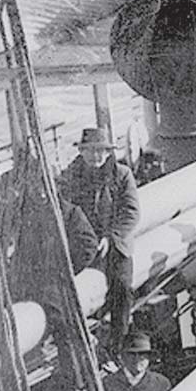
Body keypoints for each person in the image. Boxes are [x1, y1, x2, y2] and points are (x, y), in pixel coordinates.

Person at [56, 126, 140, 349]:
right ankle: (77, 341)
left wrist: (109, 238)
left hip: (115, 246)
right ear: (81, 151)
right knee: (68, 290)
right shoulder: (70, 177)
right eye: (91, 150)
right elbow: (63, 210)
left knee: (121, 287)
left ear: (109, 152)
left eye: (101, 151)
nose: (97, 156)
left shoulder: (122, 175)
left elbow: (131, 213)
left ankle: (118, 344)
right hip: (83, 246)